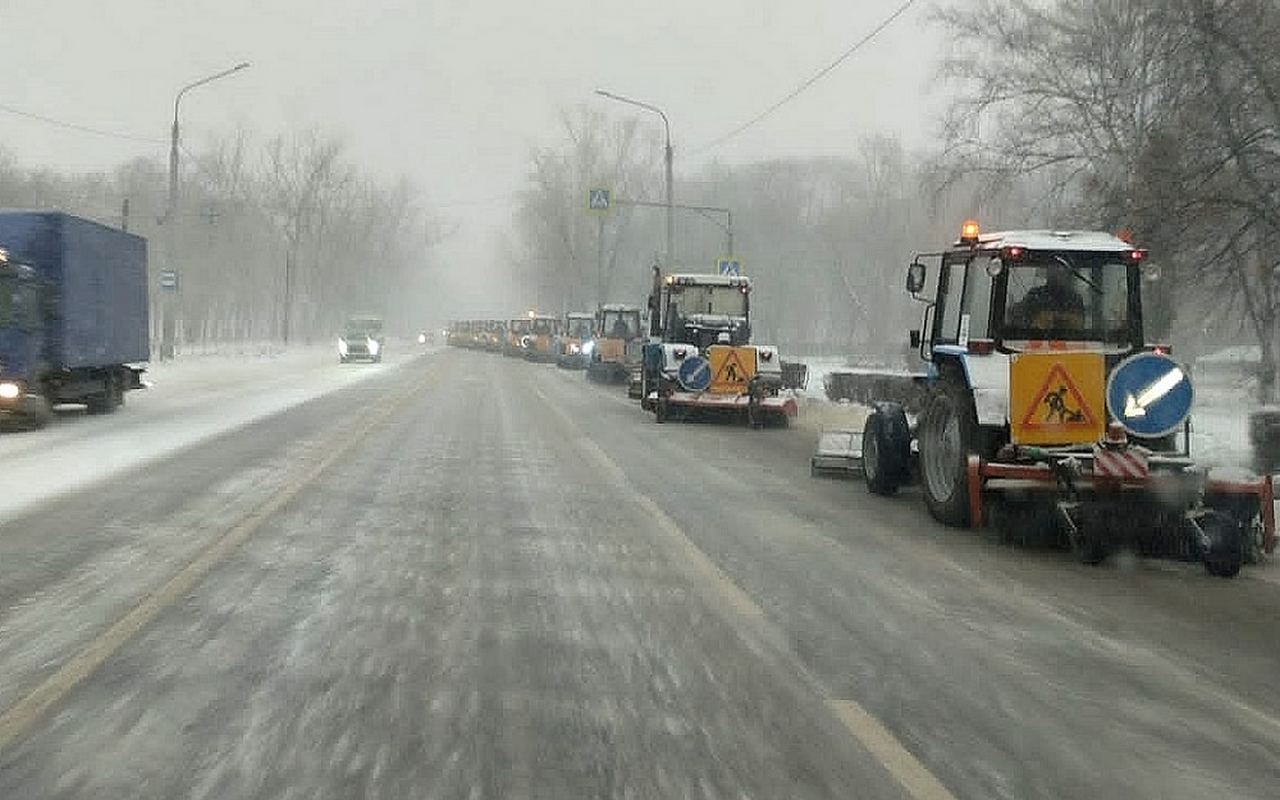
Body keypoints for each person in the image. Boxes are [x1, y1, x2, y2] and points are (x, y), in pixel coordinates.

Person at [1011, 265, 1086, 330]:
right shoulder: (1035, 295)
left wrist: (1059, 319)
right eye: (1054, 269)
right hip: (1036, 340)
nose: (1058, 274)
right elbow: (1020, 319)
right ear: (1048, 273)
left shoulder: (1075, 299)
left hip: (1072, 342)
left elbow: (1079, 325)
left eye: (1061, 270)